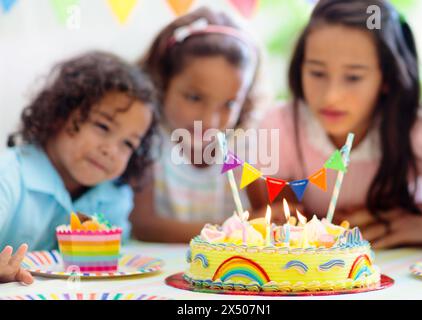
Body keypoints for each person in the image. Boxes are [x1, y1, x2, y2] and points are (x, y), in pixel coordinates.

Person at [251, 0, 422, 248]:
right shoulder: (280, 126)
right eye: (317, 73)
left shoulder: (414, 129)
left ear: (387, 78)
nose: (331, 96)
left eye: (354, 77)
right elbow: (272, 211)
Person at [0, 52, 157, 283]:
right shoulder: (9, 176)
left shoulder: (113, 197)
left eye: (128, 143)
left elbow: (109, 272)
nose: (111, 150)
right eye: (103, 126)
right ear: (59, 113)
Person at [130, 7, 264, 243]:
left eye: (229, 103)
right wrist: (231, 230)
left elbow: (264, 213)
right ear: (161, 83)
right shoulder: (147, 142)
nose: (209, 120)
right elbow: (144, 225)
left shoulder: (242, 149)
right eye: (194, 98)